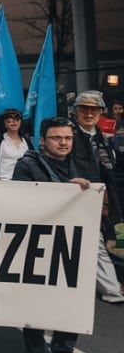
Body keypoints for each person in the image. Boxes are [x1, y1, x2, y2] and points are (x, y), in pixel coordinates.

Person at [13, 117, 97, 353]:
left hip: (74, 243)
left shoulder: (83, 163)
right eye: (56, 138)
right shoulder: (27, 165)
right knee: (36, 301)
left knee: (72, 298)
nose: (63, 143)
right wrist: (63, 191)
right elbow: (20, 202)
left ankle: (63, 351)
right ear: (42, 141)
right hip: (38, 244)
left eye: (68, 138)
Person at [67, 90, 124, 304]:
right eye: (84, 108)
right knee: (93, 243)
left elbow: (110, 173)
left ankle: (108, 287)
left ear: (101, 112)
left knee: (91, 243)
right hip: (77, 199)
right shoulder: (69, 135)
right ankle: (111, 289)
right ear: (76, 111)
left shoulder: (104, 139)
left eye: (94, 109)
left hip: (101, 201)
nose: (89, 113)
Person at [0, 109, 30, 180]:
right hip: (3, 184)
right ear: (4, 123)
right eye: (9, 120)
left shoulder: (27, 142)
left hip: (25, 184)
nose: (13, 122)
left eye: (17, 119)